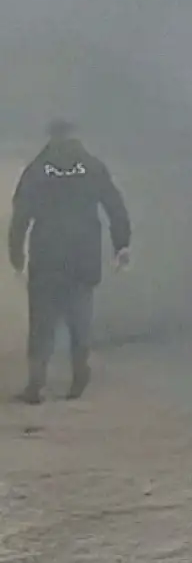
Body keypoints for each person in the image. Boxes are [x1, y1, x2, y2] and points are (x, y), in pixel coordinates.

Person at [7, 119, 132, 404]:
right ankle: (79, 374)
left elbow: (21, 215)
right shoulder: (92, 167)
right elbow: (115, 206)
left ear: (51, 137)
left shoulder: (38, 170)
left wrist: (17, 255)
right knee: (79, 319)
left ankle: (36, 384)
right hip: (82, 256)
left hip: (47, 256)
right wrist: (121, 244)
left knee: (42, 322)